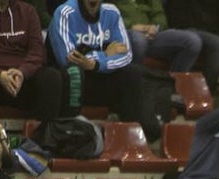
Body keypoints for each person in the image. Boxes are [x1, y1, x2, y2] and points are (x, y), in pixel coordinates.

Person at [47, 0, 160, 140]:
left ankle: (129, 138)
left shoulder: (112, 12)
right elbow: (68, 58)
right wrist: (105, 54)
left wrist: (95, 64)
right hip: (70, 85)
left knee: (133, 73)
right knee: (74, 72)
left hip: (99, 77)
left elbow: (126, 55)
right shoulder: (65, 13)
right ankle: (68, 134)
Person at [119, 0, 219, 85]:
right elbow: (110, 16)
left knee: (192, 41)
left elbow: (159, 13)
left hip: (153, 34)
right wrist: (132, 26)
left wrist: (155, 27)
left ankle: (173, 88)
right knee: (138, 39)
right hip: (125, 33)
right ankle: (133, 86)